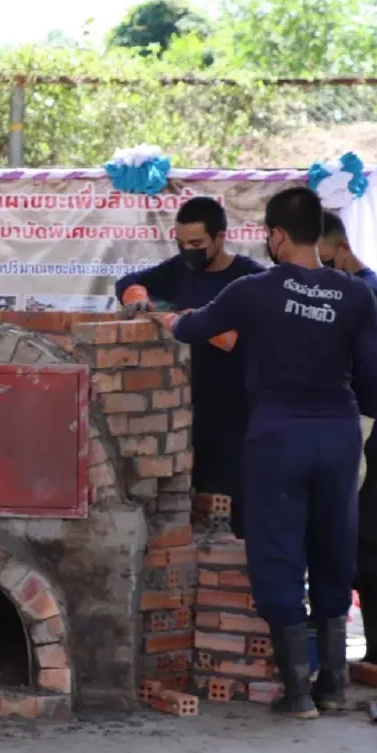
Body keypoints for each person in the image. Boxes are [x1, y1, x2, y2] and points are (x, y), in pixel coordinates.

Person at [170, 187, 377, 720]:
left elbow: (192, 327)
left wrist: (168, 320)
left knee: (277, 551)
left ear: (276, 236)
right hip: (339, 437)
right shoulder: (355, 294)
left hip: (278, 437)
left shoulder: (255, 290)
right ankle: (333, 686)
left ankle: (297, 694)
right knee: (334, 544)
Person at [115, 197, 265, 539]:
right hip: (188, 409)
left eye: (197, 244)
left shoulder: (251, 278)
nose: (188, 251)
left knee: (234, 507)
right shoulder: (180, 270)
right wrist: (137, 298)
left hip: (240, 412)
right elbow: (127, 283)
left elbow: (247, 339)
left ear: (221, 237)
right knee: (190, 507)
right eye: (181, 244)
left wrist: (195, 323)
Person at [319, 211, 377, 666]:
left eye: (326, 261)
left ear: (342, 249)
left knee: (366, 541)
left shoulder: (370, 295)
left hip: (367, 430)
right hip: (346, 427)